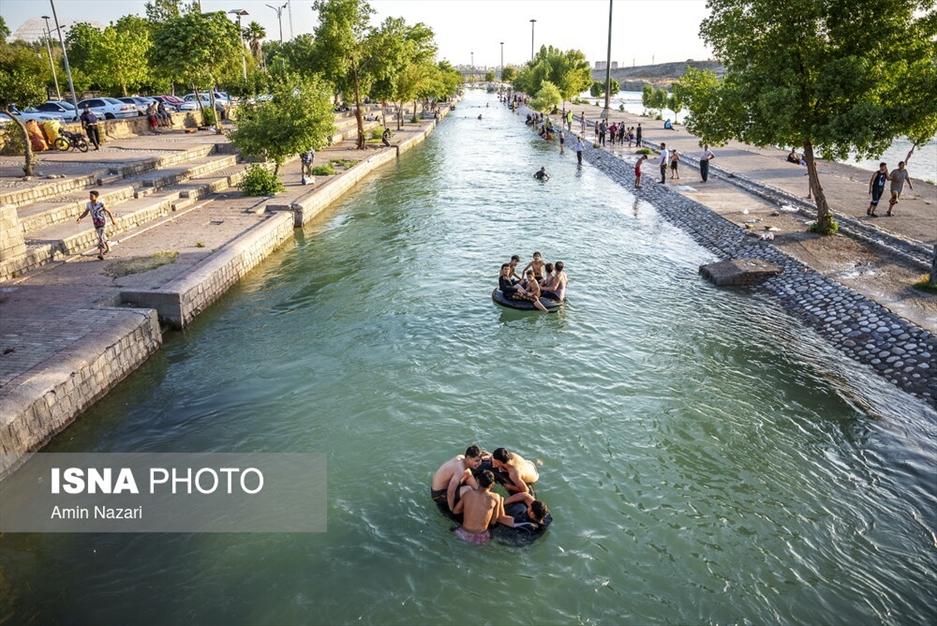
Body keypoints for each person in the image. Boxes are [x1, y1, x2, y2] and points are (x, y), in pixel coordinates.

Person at [451, 470, 516, 544]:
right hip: (480, 537)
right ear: (492, 484)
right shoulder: (495, 497)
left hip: (462, 533)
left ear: (478, 481)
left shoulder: (467, 494)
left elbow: (456, 511)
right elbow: (494, 520)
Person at [431, 446, 484, 513]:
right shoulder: (460, 470)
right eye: (477, 461)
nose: (480, 463)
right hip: (438, 495)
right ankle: (458, 509)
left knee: (468, 472)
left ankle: (479, 492)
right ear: (468, 458)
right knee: (468, 489)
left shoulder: (461, 457)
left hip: (441, 486)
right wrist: (451, 509)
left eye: (480, 460)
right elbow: (450, 492)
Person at [76, 190, 116, 260]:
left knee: (100, 236)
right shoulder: (89, 204)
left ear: (96, 197)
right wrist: (80, 218)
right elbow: (86, 212)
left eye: (92, 196)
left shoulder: (101, 204)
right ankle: (108, 247)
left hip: (102, 222)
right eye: (90, 196)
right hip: (95, 222)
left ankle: (101, 253)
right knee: (102, 235)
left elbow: (109, 211)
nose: (90, 197)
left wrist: (113, 220)